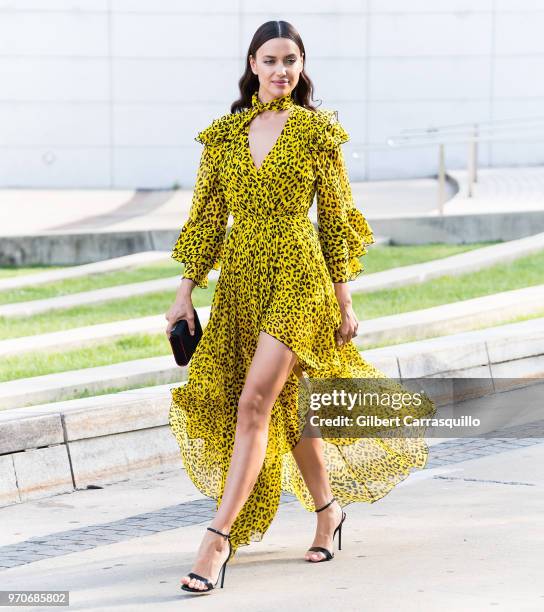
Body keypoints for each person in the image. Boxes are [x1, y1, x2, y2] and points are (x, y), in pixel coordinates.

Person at [164, 20, 436, 594]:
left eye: (291, 59)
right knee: (290, 411)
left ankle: (216, 540)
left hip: (299, 278)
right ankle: (329, 511)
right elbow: (207, 220)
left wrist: (345, 300)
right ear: (253, 64)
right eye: (271, 60)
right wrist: (185, 291)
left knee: (253, 403)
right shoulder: (223, 137)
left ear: (302, 65)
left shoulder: (317, 132)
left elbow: (335, 219)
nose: (281, 70)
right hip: (241, 280)